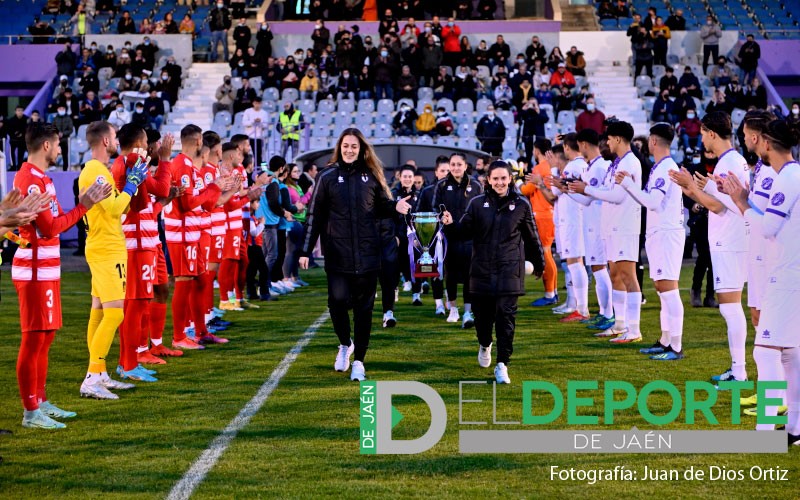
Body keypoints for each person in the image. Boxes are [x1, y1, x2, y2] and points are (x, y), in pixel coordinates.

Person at [13, 123, 110, 428]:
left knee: (46, 336)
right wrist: (84, 206)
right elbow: (48, 227)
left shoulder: (42, 178)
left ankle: (39, 401)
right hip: (33, 270)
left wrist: (81, 207)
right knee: (33, 339)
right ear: (45, 146)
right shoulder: (30, 178)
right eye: (57, 145)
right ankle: (30, 411)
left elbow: (53, 222)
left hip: (46, 268)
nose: (59, 150)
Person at [299, 128, 413, 382]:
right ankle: (344, 344)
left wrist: (395, 206)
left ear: (362, 149)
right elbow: (314, 215)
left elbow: (382, 206)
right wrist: (305, 249)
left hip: (368, 256)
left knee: (364, 309)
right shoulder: (327, 176)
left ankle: (359, 360)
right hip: (337, 255)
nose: (349, 150)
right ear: (339, 147)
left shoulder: (371, 175)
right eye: (346, 145)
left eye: (354, 146)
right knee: (337, 302)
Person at [722, 118, 800, 436]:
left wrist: (742, 201)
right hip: (789, 271)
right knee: (791, 350)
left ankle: (767, 426)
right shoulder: (793, 175)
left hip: (787, 274)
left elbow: (768, 227)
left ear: (766, 142)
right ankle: (794, 426)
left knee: (765, 349)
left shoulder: (787, 178)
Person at [442, 160, 544, 383]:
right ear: (488, 180)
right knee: (483, 320)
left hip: (510, 271)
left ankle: (502, 364)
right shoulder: (477, 204)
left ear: (510, 179)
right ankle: (484, 344)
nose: (499, 182)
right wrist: (450, 224)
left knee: (506, 319)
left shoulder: (522, 204)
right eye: (495, 178)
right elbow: (462, 231)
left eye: (503, 178)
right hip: (481, 272)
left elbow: (532, 237)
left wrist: (540, 263)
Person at [668, 111, 750, 385]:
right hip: (732, 239)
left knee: (730, 307)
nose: (701, 138)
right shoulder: (733, 160)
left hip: (729, 240)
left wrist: (692, 187)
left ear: (712, 133)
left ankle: (739, 371)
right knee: (731, 306)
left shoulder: (728, 162)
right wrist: (696, 189)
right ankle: (737, 369)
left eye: (703, 133)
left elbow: (717, 206)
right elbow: (720, 199)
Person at [77, 121, 150, 397]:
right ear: (105, 141)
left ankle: (97, 372)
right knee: (115, 312)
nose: (117, 140)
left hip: (103, 244)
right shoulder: (96, 171)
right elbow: (115, 210)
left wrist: (132, 184)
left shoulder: (99, 171)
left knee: (98, 309)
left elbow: (122, 206)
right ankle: (93, 378)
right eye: (114, 136)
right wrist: (132, 184)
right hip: (106, 247)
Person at [569, 120, 643, 343]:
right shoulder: (616, 163)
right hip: (613, 225)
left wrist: (587, 189)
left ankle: (634, 329)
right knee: (615, 275)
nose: (607, 143)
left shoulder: (629, 163)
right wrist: (582, 189)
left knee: (628, 276)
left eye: (609, 138)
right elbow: (607, 191)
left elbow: (619, 196)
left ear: (618, 139)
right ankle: (619, 324)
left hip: (625, 226)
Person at [617, 123, 686, 359]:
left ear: (653, 141)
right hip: (660, 233)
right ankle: (666, 340)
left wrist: (628, 185)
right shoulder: (661, 167)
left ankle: (675, 345)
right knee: (661, 288)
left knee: (668, 289)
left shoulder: (667, 168)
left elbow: (653, 202)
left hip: (667, 233)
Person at [165, 125, 232, 350]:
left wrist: (215, 190)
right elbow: (186, 204)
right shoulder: (182, 166)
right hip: (183, 233)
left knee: (196, 281)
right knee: (184, 283)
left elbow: (202, 201)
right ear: (197, 141)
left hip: (192, 232)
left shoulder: (188, 167)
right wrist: (214, 187)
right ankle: (179, 336)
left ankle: (199, 331)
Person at [432, 153, 483, 328]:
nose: (455, 168)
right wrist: (442, 216)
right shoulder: (442, 185)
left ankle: (468, 311)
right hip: (449, 236)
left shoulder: (475, 185)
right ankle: (453, 309)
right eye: (452, 164)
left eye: (458, 164)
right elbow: (435, 207)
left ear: (465, 166)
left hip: (469, 237)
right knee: (451, 274)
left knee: (470, 274)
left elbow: (482, 207)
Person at [522, 139, 558, 306]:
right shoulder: (551, 166)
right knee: (548, 252)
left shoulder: (539, 168)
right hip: (550, 212)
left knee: (545, 253)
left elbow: (526, 190)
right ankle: (553, 291)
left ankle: (550, 293)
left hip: (542, 214)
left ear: (536, 150)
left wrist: (518, 183)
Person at [415, 157, 450, 315]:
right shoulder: (427, 191)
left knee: (451, 272)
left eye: (448, 171)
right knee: (436, 270)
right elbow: (417, 214)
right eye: (443, 171)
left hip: (453, 236)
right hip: (433, 239)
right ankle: (438, 304)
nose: (445, 173)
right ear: (436, 172)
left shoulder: (456, 190)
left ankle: (450, 299)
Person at [243, 97, 269, 167]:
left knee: (259, 154)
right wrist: (253, 121)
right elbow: (244, 123)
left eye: (259, 103)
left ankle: (259, 169)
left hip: (259, 137)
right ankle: (247, 168)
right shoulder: (248, 111)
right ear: (253, 103)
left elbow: (266, 125)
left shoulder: (264, 113)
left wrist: (260, 122)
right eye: (256, 103)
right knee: (247, 154)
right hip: (249, 137)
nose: (257, 105)